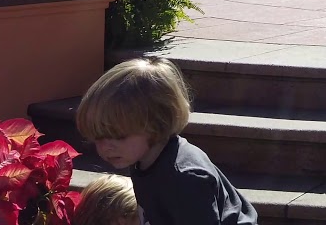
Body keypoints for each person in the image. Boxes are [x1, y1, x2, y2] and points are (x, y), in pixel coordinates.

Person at [75, 57, 258, 225]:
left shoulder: (185, 178)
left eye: (118, 135)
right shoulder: (142, 158)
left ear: (156, 122)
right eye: (97, 137)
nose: (105, 147)